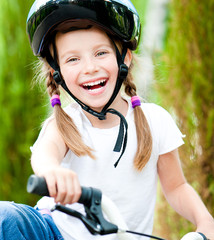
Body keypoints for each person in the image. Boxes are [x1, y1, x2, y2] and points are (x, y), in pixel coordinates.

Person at [0, 0, 214, 239]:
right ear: (56, 73)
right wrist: (51, 172)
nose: (89, 67)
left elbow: (176, 187)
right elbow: (44, 154)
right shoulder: (65, 124)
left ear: (125, 58)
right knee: (5, 217)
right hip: (56, 232)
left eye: (100, 53)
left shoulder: (156, 121)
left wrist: (205, 222)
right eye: (73, 59)